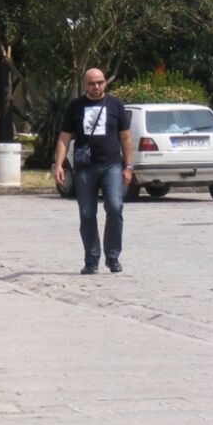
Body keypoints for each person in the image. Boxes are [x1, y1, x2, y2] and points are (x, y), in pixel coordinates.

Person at [53, 68, 133, 274]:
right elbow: (64, 138)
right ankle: (91, 259)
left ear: (105, 83)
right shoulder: (75, 106)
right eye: (91, 83)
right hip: (85, 168)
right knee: (87, 213)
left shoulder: (115, 105)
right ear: (85, 85)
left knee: (115, 207)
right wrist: (59, 164)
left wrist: (128, 166)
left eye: (100, 82)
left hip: (111, 165)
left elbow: (125, 138)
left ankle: (113, 256)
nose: (96, 86)